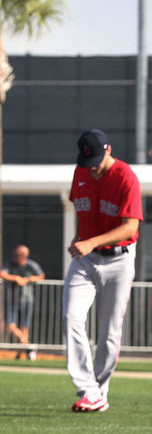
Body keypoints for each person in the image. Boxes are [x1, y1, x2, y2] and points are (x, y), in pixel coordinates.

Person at [63, 128, 141, 412]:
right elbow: (81, 208)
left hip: (119, 261)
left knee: (109, 332)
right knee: (71, 317)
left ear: (108, 150)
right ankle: (88, 388)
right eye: (88, 162)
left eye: (96, 160)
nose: (92, 167)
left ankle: (99, 389)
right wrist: (79, 236)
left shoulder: (125, 177)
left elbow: (131, 226)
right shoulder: (80, 172)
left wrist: (90, 240)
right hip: (86, 258)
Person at [0, 245, 44, 360]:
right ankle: (28, 347)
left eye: (18, 256)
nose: (15, 258)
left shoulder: (31, 265)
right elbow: (2, 274)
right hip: (12, 300)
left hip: (27, 300)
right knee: (11, 327)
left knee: (25, 328)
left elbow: (41, 276)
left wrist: (28, 280)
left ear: (23, 257)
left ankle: (20, 354)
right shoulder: (10, 264)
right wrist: (16, 278)